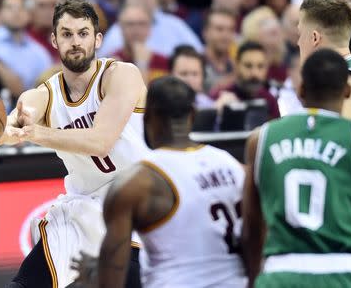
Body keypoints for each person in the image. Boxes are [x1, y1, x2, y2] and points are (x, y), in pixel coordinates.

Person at [0, 0, 148, 288]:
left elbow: (100, 141)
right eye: (66, 34)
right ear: (54, 39)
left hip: (134, 204)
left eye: (83, 33)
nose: (75, 41)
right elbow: (16, 121)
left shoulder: (121, 75)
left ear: (98, 38)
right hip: (83, 210)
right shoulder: (43, 95)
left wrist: (34, 133)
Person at [70, 76, 247, 288]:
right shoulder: (233, 167)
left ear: (147, 118)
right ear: (193, 114)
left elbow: (112, 283)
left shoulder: (137, 184)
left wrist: (95, 275)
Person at [242, 49, 351, 288]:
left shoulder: (261, 138)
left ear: (301, 90)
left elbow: (251, 225)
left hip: (281, 272)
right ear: (347, 91)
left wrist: (253, 279)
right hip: (347, 272)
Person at [297, 0, 351, 125]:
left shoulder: (341, 78)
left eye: (300, 34)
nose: (298, 42)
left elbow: (330, 136)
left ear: (315, 38)